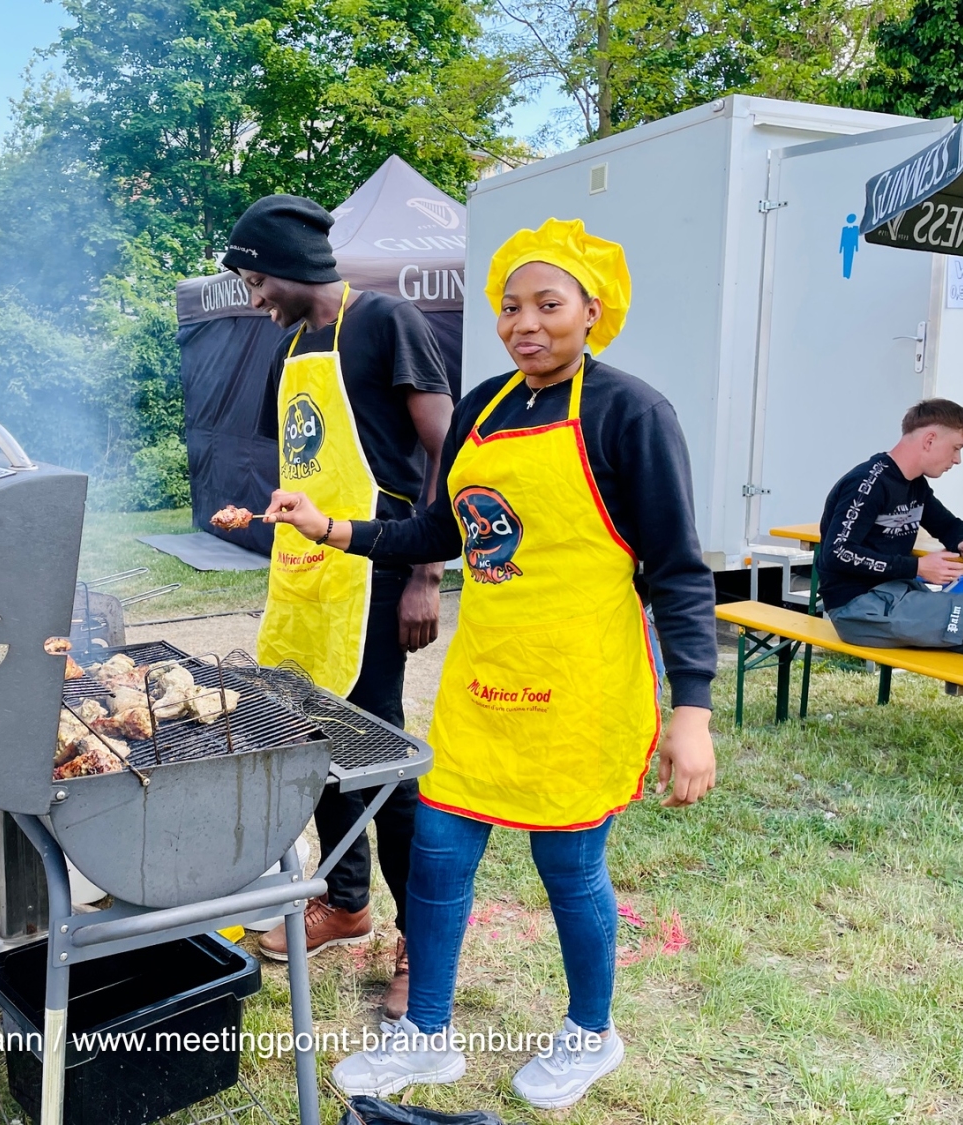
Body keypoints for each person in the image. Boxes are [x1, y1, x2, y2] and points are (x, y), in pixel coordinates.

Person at [264, 218, 717, 1109]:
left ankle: (591, 1032)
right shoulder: (482, 407)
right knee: (437, 853)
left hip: (581, 676)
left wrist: (692, 713)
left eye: (549, 305)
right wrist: (335, 528)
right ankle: (426, 1032)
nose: (525, 324)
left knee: (568, 865)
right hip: (486, 673)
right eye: (511, 307)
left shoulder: (631, 412)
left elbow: (677, 571)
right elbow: (442, 528)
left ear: (592, 310)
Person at [219, 195, 455, 1017]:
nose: (254, 299)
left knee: (381, 755)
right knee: (309, 734)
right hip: (307, 576)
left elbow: (447, 448)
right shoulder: (291, 347)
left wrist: (425, 573)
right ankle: (346, 901)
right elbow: (309, 462)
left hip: (380, 568)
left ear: (286, 266)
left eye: (254, 281)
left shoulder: (387, 322)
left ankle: (422, 939)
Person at [818, 400, 963, 802]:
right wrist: (917, 568)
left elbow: (946, 523)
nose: (957, 460)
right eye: (956, 448)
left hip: (898, 600)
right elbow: (836, 554)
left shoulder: (914, 484)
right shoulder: (867, 482)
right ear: (930, 439)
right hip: (860, 609)